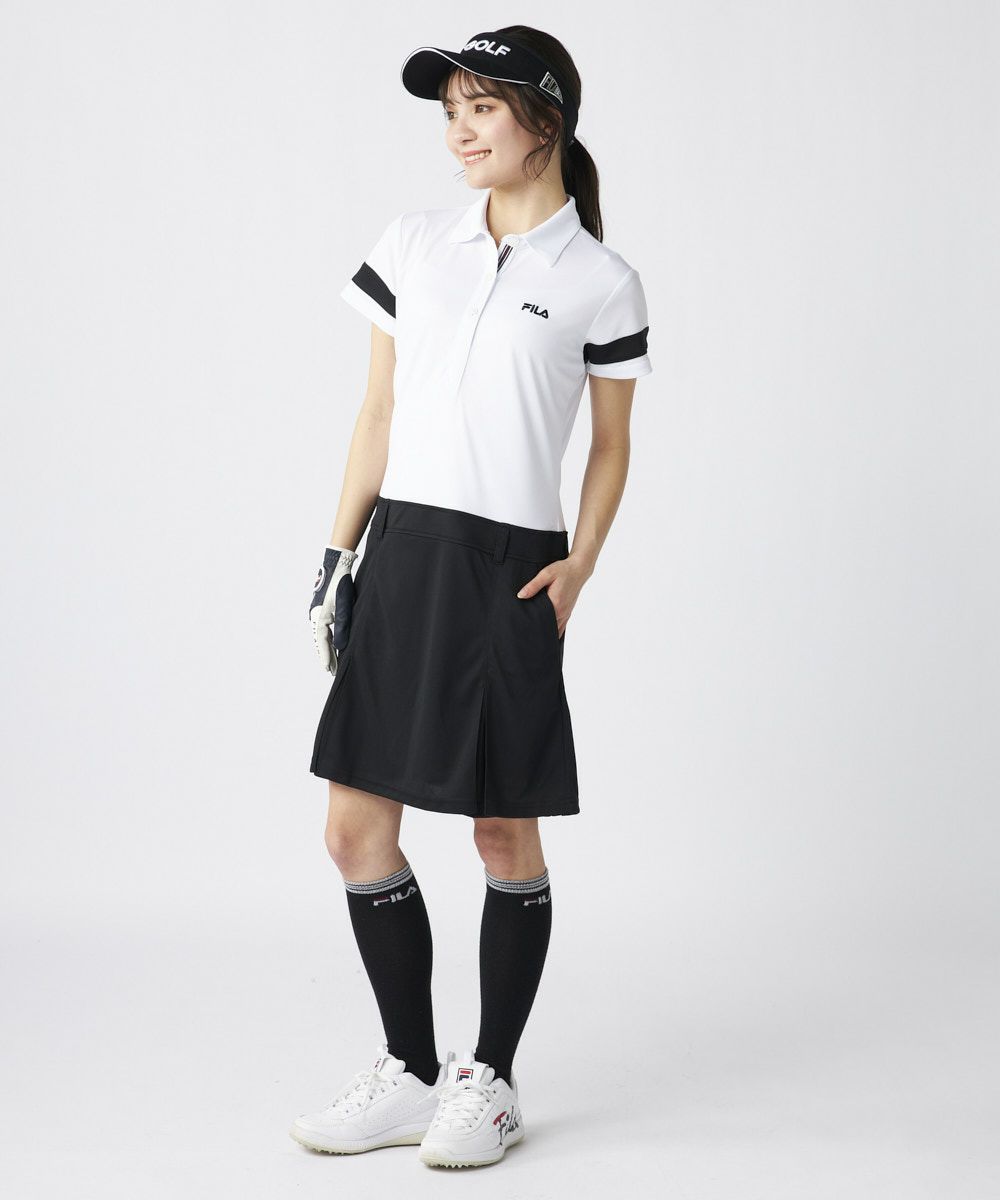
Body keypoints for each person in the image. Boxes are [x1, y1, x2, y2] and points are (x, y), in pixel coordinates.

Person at [291, 25, 652, 1169]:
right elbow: (377, 413)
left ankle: (487, 1080)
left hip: (508, 569)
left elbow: (610, 444)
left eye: (480, 107)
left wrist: (581, 562)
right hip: (400, 553)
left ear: (546, 120)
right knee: (353, 831)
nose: (458, 130)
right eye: (449, 110)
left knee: (502, 828)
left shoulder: (599, 281)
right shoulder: (414, 244)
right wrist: (337, 554)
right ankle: (409, 1072)